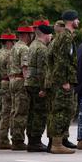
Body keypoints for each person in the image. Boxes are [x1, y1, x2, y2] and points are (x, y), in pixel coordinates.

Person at [46, 10, 79, 155]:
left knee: (59, 110)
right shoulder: (66, 37)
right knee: (61, 111)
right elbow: (62, 60)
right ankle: (57, 144)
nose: (79, 22)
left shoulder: (62, 36)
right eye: (77, 20)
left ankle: (55, 142)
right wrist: (64, 81)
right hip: (62, 81)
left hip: (59, 79)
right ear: (72, 21)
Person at [25, 20, 52, 152]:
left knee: (31, 112)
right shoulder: (41, 48)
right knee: (39, 113)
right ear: (46, 35)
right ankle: (35, 141)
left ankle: (31, 139)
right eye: (50, 35)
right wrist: (44, 88)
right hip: (37, 84)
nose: (51, 37)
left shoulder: (32, 45)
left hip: (30, 83)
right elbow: (42, 70)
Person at [9, 22, 34, 150]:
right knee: (21, 111)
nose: (32, 36)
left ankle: (14, 136)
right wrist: (28, 83)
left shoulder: (14, 47)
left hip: (12, 80)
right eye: (31, 34)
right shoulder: (24, 48)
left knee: (14, 110)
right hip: (20, 80)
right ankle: (18, 140)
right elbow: (25, 68)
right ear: (26, 35)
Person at [0, 30, 17, 150]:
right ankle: (3, 140)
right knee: (7, 113)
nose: (14, 43)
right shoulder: (8, 54)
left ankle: (1, 139)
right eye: (13, 41)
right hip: (6, 82)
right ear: (9, 42)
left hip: (1, 83)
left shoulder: (0, 52)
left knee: (2, 112)